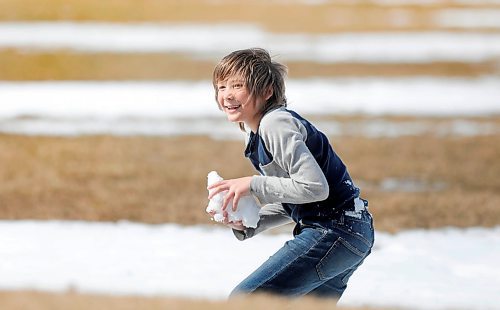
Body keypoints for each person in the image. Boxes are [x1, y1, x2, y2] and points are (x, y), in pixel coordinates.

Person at [207, 48, 374, 302]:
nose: (227, 94)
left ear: (267, 91)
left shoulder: (276, 124)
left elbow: (315, 188)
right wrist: (251, 223)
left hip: (334, 230)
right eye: (221, 87)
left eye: (237, 85)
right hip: (351, 231)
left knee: (245, 301)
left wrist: (253, 184)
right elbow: (299, 196)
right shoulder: (256, 133)